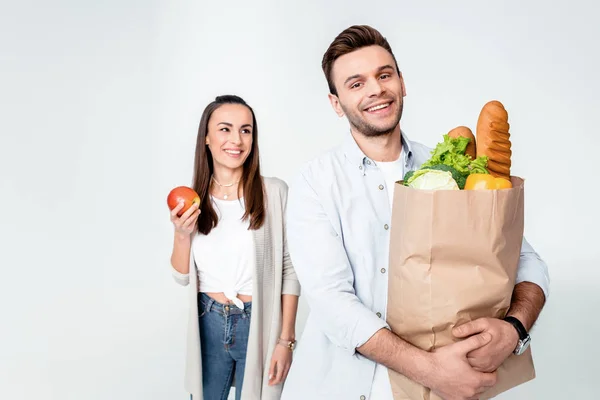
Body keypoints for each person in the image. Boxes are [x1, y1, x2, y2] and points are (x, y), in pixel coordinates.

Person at [281, 25, 549, 400]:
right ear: (335, 103)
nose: (376, 89)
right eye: (356, 84)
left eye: (384, 75)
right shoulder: (315, 183)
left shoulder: (452, 167)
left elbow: (526, 259)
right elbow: (331, 301)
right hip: (341, 387)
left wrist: (515, 329)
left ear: (402, 83)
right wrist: (433, 371)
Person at [169, 95, 301, 400]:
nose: (237, 140)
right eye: (225, 129)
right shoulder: (191, 198)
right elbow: (181, 276)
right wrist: (180, 233)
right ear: (207, 138)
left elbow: (290, 268)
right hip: (209, 321)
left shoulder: (274, 192)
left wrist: (286, 340)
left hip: (259, 322)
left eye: (246, 130)